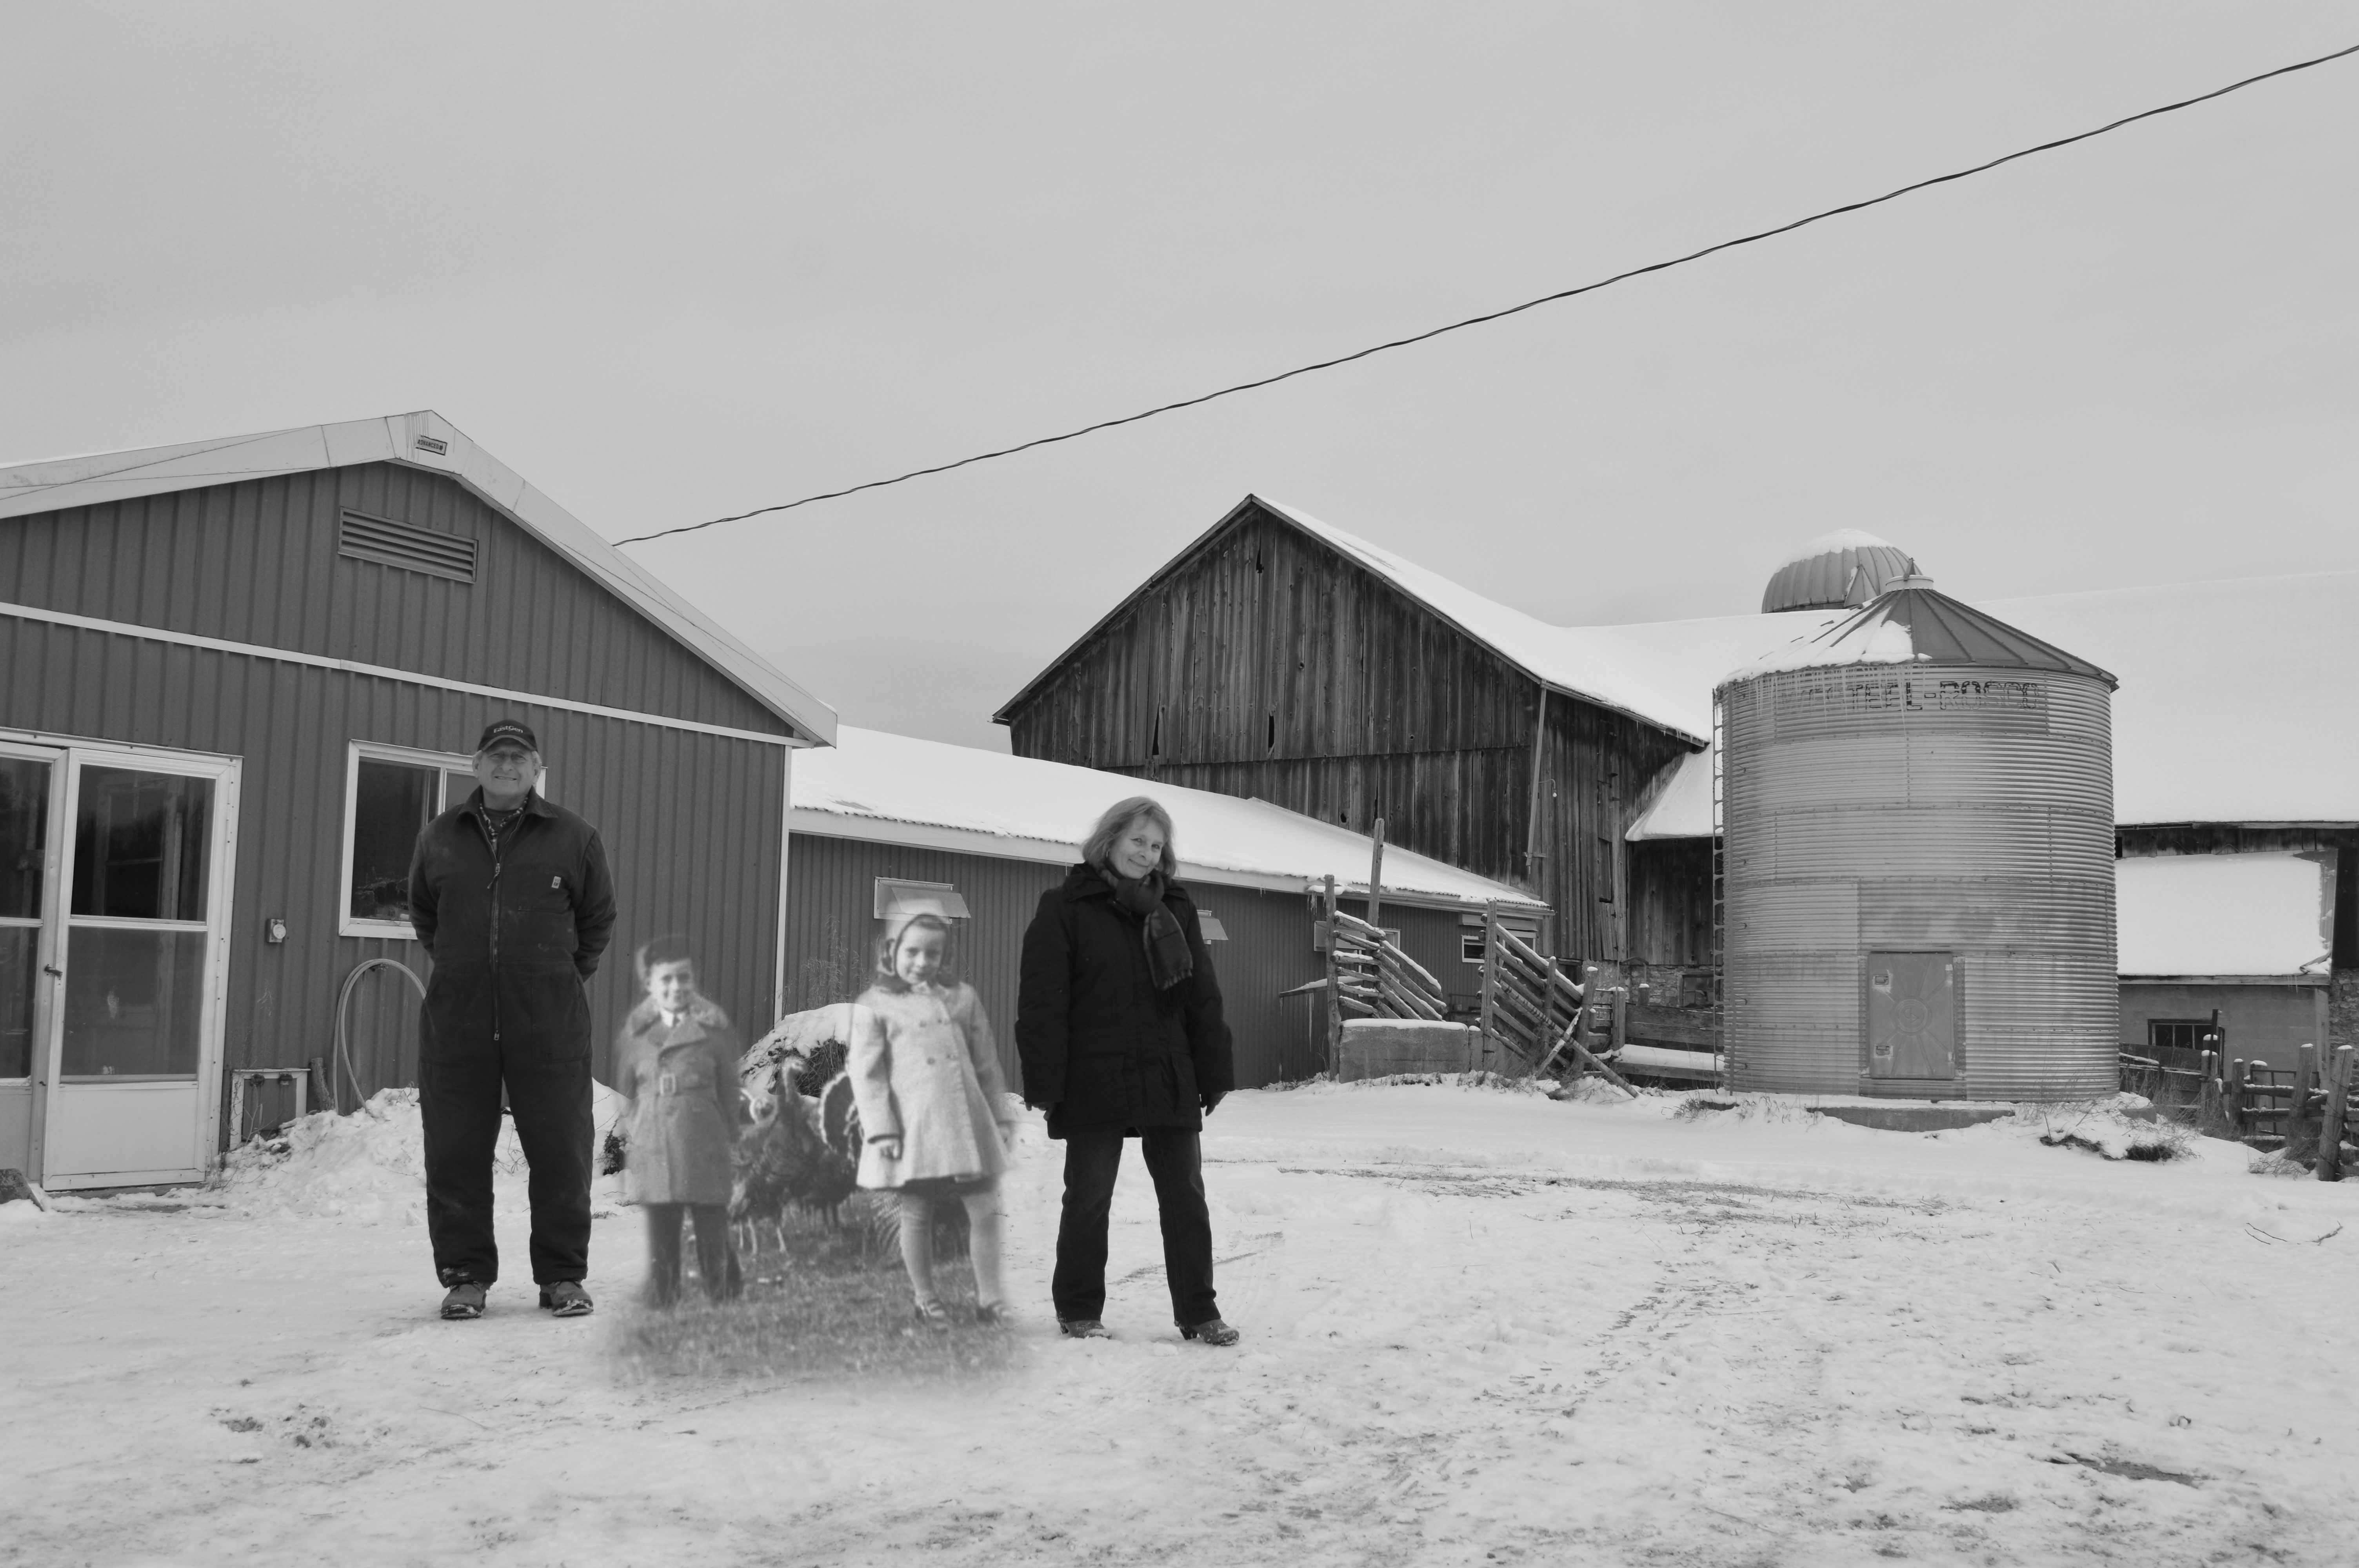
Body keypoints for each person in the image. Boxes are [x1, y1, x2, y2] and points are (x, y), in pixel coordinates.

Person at [409, 718, 616, 1321]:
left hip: (549, 1023)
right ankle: (466, 1276)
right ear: (475, 766)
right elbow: (428, 916)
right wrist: (467, 967)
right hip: (458, 1020)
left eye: (518, 757)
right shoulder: (440, 838)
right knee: (455, 1153)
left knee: (561, 1152)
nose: (506, 766)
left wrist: (553, 976)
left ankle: (562, 1277)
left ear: (536, 769)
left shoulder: (573, 837)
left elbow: (597, 920)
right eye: (495, 756)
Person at [1016, 796, 1237, 1345]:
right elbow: (1044, 1002)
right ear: (1110, 840)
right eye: (1138, 840)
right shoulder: (1067, 906)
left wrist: (1214, 1071)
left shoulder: (1177, 909)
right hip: (1095, 1075)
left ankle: (1199, 1313)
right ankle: (1079, 1310)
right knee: (1089, 1195)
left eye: (1156, 845)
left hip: (1167, 1072)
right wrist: (1046, 1082)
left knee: (1186, 1195)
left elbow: (1202, 999)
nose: (1147, 853)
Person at [850, 911, 1015, 1327]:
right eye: (913, 951)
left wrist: (1000, 1115)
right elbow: (866, 1073)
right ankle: (926, 1298)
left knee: (983, 1207)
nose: (922, 961)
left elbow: (986, 1061)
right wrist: (882, 1128)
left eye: (933, 953)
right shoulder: (875, 1004)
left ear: (944, 955)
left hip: (966, 1122)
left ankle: (990, 1297)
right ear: (892, 951)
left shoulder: (961, 997)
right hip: (914, 1127)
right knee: (917, 1212)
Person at [611, 936, 747, 1307]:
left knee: (711, 1229)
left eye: (684, 978)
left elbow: (729, 1091)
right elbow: (628, 1090)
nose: (677, 987)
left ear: (694, 979)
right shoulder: (635, 1035)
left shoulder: (715, 1031)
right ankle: (665, 1299)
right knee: (664, 1234)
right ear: (650, 985)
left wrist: (730, 1143)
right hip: (658, 1149)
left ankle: (724, 1295)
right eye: (666, 980)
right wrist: (642, 1135)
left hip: (706, 1146)